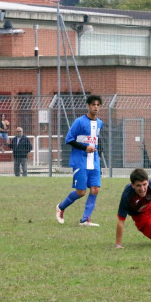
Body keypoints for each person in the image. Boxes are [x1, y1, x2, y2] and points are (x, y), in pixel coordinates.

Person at [55, 95, 103, 227]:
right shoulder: (79, 122)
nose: (96, 107)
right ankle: (61, 207)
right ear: (88, 106)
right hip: (80, 161)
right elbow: (69, 139)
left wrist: (99, 162)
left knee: (95, 189)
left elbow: (97, 141)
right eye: (93, 104)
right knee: (81, 192)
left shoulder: (100, 123)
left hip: (94, 162)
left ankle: (85, 219)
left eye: (98, 105)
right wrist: (85, 148)